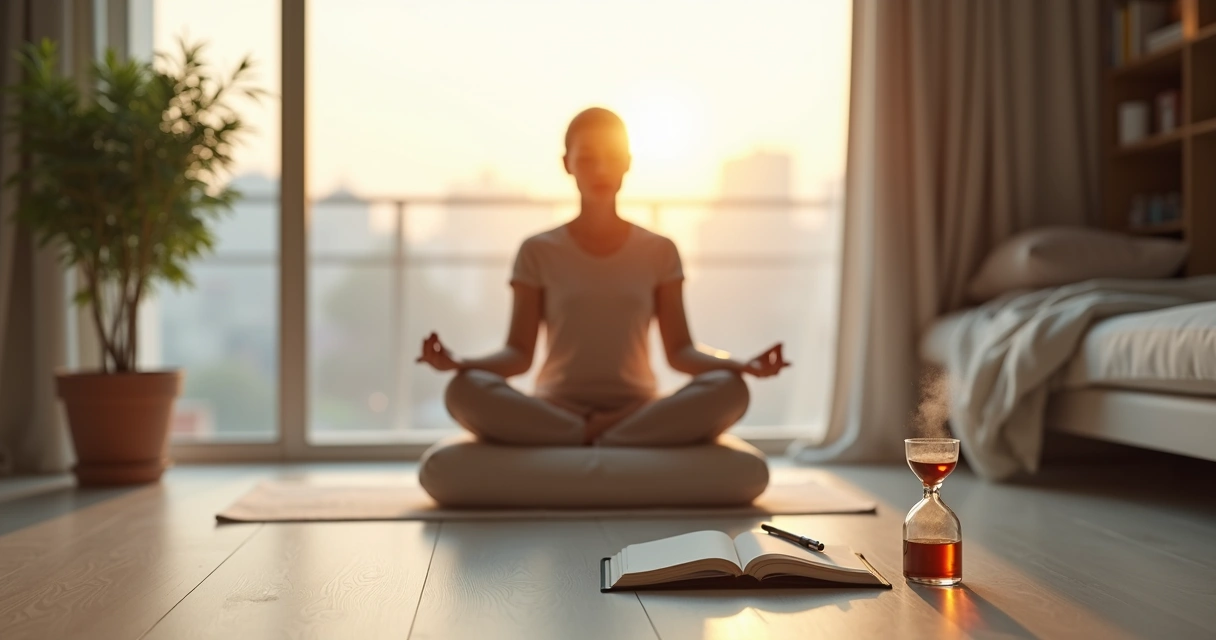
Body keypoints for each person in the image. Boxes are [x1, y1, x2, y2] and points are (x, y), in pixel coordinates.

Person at [416, 107, 790, 447]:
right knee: (463, 391)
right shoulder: (537, 251)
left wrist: (743, 366)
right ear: (567, 164)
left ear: (628, 163)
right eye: (588, 159)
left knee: (730, 389)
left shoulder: (660, 250)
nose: (600, 170)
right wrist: (458, 363)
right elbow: (518, 355)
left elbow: (680, 353)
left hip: (637, 407)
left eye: (612, 159)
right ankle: (604, 435)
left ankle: (587, 435)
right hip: (556, 406)